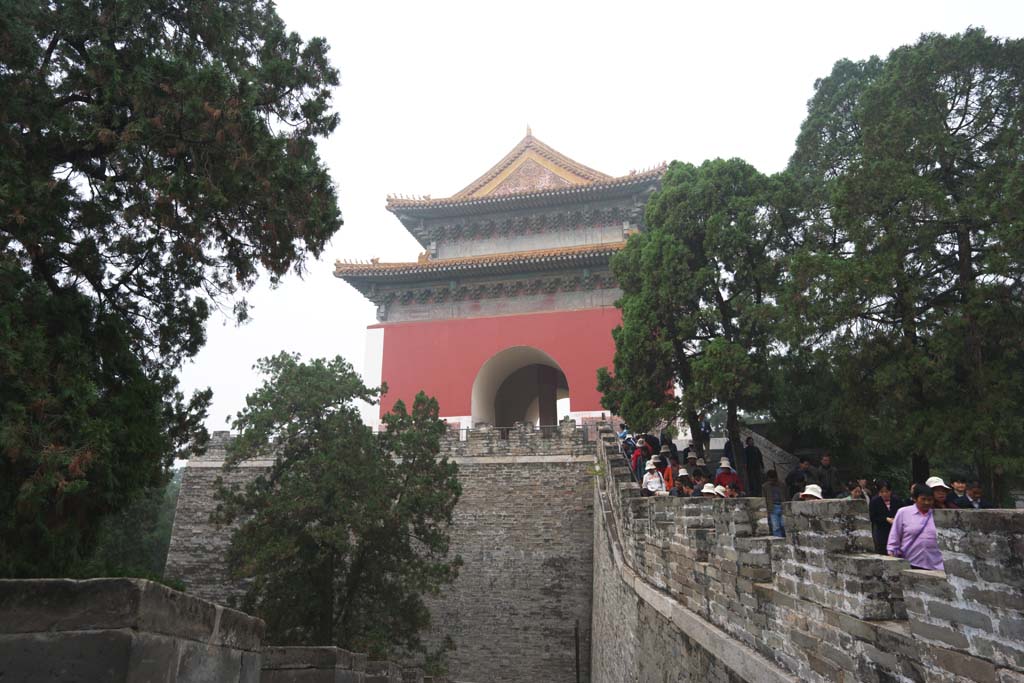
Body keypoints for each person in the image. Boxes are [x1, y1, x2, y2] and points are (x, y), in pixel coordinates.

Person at [888, 484, 944, 570]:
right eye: (923, 499)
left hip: (935, 565)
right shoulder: (903, 512)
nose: (926, 502)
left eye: (929, 500)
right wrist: (892, 557)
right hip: (910, 564)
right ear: (915, 498)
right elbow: (894, 537)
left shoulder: (938, 515)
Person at [869, 480, 901, 555]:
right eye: (882, 492)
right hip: (881, 532)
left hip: (895, 530)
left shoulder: (896, 500)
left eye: (886, 491)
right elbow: (873, 517)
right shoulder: (875, 501)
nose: (884, 494)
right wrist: (885, 519)